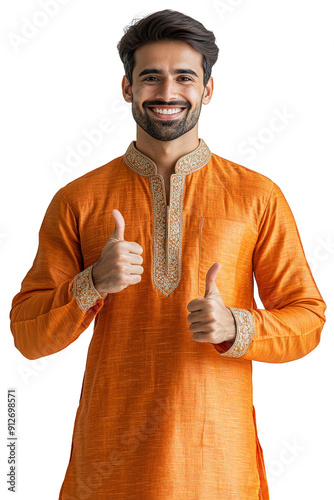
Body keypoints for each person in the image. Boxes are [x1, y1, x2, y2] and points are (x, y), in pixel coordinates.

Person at [9, 9, 326, 500]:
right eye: (150, 77)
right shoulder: (79, 198)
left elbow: (308, 320)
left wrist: (237, 326)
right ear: (127, 88)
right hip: (109, 469)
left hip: (219, 466)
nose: (167, 93)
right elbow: (28, 334)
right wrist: (92, 282)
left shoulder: (256, 196)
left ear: (208, 89)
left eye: (184, 77)